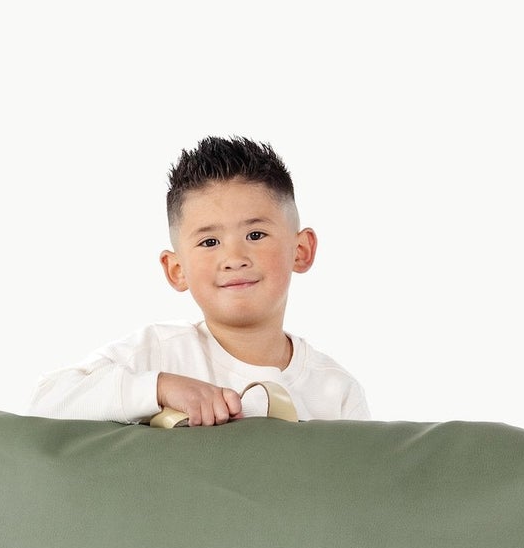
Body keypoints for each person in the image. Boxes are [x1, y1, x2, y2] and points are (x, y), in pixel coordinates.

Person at [29, 136, 371, 426]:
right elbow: (46, 400)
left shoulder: (337, 391)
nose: (234, 257)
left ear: (301, 250)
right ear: (176, 269)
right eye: (209, 242)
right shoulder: (157, 353)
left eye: (255, 234)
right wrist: (161, 388)